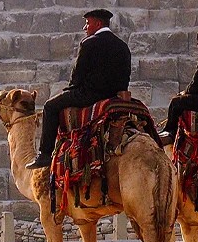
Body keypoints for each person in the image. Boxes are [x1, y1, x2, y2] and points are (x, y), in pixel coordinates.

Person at [26, 9, 132, 169]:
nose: (85, 27)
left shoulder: (89, 43)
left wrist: (70, 90)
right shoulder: (123, 46)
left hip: (89, 95)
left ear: (98, 24)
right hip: (113, 96)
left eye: (88, 23)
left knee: (50, 106)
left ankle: (45, 154)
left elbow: (78, 74)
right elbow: (125, 76)